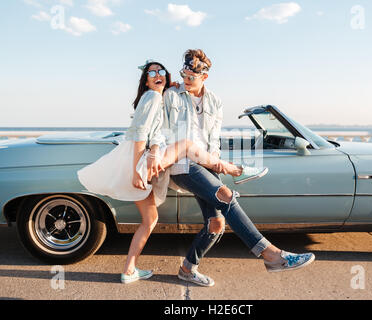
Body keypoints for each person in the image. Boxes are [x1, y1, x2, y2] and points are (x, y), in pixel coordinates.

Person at [77, 60, 268, 284]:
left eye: (161, 72)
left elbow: (156, 133)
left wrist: (154, 150)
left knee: (150, 220)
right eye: (152, 73)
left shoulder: (161, 96)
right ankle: (236, 170)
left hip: (145, 160)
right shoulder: (153, 97)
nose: (157, 75)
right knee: (186, 145)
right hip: (137, 161)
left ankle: (129, 270)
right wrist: (138, 170)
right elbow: (139, 134)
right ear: (146, 80)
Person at [162, 49, 315, 287]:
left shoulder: (214, 101)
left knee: (216, 224)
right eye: (184, 73)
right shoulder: (170, 95)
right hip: (182, 163)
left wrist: (215, 165)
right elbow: (166, 133)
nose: (187, 78)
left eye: (192, 74)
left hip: (206, 164)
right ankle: (272, 255)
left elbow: (213, 140)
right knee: (226, 196)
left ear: (205, 76)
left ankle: (187, 268)